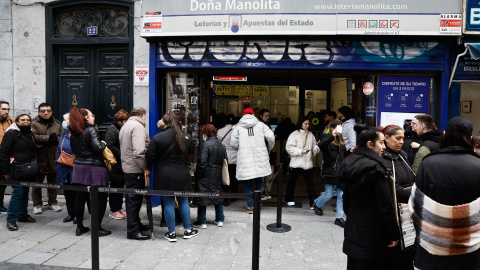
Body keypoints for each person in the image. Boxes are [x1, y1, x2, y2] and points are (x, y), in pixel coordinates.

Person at [411, 116, 480, 270]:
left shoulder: (428, 163)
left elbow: (416, 206)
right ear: (470, 138)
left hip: (431, 250)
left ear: (444, 135)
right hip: (470, 251)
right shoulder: (478, 165)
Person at [339, 125, 400, 269]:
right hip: (372, 233)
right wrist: (393, 233)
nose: (384, 147)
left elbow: (345, 199)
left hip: (353, 227)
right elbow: (385, 206)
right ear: (369, 144)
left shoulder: (349, 162)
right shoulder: (376, 168)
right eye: (381, 142)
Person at [146, 112, 198, 242]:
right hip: (182, 174)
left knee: (168, 203)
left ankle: (172, 233)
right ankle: (187, 230)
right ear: (178, 122)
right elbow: (192, 153)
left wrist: (148, 168)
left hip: (164, 175)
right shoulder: (186, 137)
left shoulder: (158, 138)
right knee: (184, 201)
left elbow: (150, 156)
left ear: (164, 123)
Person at [69, 107, 111, 237]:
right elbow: (98, 148)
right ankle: (97, 227)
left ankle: (79, 226)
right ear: (86, 117)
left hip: (79, 167)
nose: (94, 117)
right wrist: (103, 143)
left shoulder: (73, 131)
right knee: (101, 197)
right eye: (92, 115)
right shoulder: (91, 130)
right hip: (94, 167)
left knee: (80, 197)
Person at [382, 125, 415, 270]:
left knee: (407, 256)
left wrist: (410, 188)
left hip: (409, 213)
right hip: (395, 213)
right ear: (386, 138)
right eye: (398, 138)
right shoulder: (383, 159)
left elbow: (414, 179)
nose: (402, 141)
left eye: (403, 138)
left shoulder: (403, 155)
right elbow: (395, 191)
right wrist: (415, 190)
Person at [230, 107, 275, 214]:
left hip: (245, 158)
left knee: (248, 183)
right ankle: (257, 203)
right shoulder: (261, 125)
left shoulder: (238, 127)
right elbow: (271, 137)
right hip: (260, 157)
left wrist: (240, 148)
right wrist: (270, 147)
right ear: (254, 115)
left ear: (243, 115)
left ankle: (250, 206)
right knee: (259, 182)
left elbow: (233, 143)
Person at [0, 110, 37, 230]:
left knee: (25, 192)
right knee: (18, 193)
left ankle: (22, 215)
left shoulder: (30, 132)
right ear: (17, 121)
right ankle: (11, 219)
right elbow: (4, 153)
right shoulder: (11, 133)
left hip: (27, 168)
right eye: (22, 120)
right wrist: (5, 171)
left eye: (27, 120)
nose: (25, 122)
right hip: (15, 168)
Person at [119, 107, 151, 240]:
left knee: (133, 199)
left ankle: (136, 224)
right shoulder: (137, 127)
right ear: (142, 116)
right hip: (135, 168)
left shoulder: (125, 126)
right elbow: (139, 152)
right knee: (134, 200)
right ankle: (132, 230)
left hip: (128, 167)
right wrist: (145, 168)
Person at [31, 103, 63, 214]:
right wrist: (49, 138)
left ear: (51, 112)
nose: (46, 113)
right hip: (38, 157)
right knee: (37, 183)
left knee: (53, 182)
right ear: (39, 112)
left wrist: (55, 139)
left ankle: (53, 202)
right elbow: (33, 137)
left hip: (53, 157)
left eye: (48, 110)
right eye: (43, 111)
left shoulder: (57, 124)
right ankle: (37, 204)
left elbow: (62, 137)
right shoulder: (33, 123)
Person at [192, 124, 226, 229]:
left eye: (203, 133)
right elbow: (225, 160)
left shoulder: (206, 145)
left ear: (206, 133)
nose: (203, 135)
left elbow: (202, 161)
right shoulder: (221, 145)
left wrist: (197, 173)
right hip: (217, 173)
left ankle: (202, 221)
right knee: (218, 196)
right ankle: (220, 219)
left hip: (206, 173)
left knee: (202, 196)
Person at [313, 120, 346, 227]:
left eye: (341, 128)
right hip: (329, 170)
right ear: (332, 128)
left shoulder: (341, 139)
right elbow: (321, 145)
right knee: (329, 194)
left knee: (341, 195)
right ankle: (317, 204)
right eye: (338, 128)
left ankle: (339, 218)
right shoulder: (325, 137)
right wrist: (332, 136)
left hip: (340, 171)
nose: (340, 130)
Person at [284, 116, 320, 208]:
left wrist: (316, 149)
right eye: (305, 124)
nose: (307, 126)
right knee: (292, 182)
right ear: (300, 124)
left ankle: (313, 202)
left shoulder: (310, 134)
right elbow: (289, 148)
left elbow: (314, 144)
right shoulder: (294, 134)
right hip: (296, 163)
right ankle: (289, 199)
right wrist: (300, 151)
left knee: (310, 184)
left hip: (307, 163)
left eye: (308, 124)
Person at [105, 109, 130, 220]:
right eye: (126, 120)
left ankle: (119, 207)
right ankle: (113, 209)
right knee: (115, 187)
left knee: (119, 186)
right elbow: (110, 145)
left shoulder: (120, 129)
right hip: (115, 163)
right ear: (121, 120)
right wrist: (122, 155)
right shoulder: (112, 129)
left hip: (121, 163)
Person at [55, 113, 77, 224]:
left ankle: (78, 214)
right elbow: (59, 148)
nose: (63, 122)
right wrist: (58, 161)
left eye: (65, 120)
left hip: (76, 167)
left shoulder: (79, 133)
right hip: (64, 167)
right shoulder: (64, 133)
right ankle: (70, 214)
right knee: (67, 192)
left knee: (77, 192)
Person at [217, 113, 238, 205]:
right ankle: (234, 197)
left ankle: (225, 199)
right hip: (235, 158)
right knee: (233, 178)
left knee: (224, 178)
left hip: (224, 157)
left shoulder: (219, 131)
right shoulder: (237, 131)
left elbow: (218, 144)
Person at [0, 100, 13, 213]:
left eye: (8, 109)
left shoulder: (11, 121)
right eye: (3, 109)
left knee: (3, 181)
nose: (6, 111)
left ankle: (0, 204)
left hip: (6, 156)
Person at [259, 108, 275, 200]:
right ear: (261, 116)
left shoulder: (267, 125)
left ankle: (264, 190)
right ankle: (261, 190)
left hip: (267, 151)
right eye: (266, 116)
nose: (268, 117)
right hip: (263, 151)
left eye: (268, 116)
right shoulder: (260, 126)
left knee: (269, 172)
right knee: (262, 173)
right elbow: (271, 139)